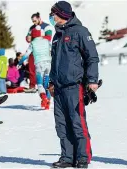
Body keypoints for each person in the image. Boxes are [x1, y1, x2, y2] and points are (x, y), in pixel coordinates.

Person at [48, 1, 99, 168]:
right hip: (59, 88)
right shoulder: (57, 36)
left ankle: (83, 157)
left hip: (74, 86)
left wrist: (92, 80)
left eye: (54, 13)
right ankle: (67, 157)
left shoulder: (80, 32)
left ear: (63, 14)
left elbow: (92, 57)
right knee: (61, 125)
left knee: (77, 122)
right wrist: (51, 81)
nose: (52, 16)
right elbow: (55, 62)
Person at [19, 26, 52, 109]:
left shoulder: (33, 43)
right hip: (48, 63)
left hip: (39, 65)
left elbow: (26, 55)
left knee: (40, 84)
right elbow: (53, 50)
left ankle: (44, 98)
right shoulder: (47, 41)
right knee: (47, 83)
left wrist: (20, 62)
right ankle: (48, 101)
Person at [25, 12, 52, 93]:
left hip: (43, 50)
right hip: (34, 50)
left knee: (44, 69)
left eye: (35, 21)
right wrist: (28, 38)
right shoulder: (32, 28)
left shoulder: (46, 26)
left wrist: (38, 37)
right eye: (33, 21)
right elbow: (28, 37)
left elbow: (48, 37)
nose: (34, 23)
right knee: (32, 68)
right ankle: (32, 85)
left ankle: (45, 85)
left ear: (39, 18)